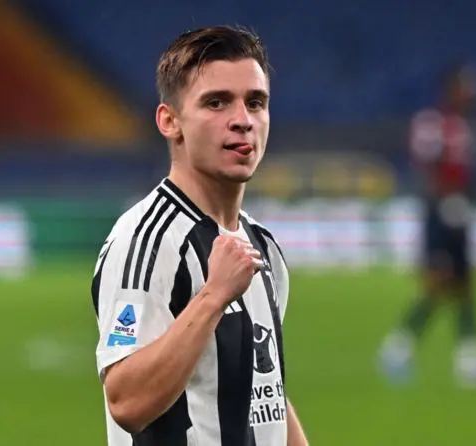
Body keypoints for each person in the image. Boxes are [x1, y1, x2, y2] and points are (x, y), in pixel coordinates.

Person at [90, 26, 309, 446]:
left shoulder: (261, 246)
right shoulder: (147, 241)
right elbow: (126, 401)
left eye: (255, 103)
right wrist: (212, 296)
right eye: (216, 103)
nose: (242, 121)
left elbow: (266, 394)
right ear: (170, 121)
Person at [379, 63, 476, 388]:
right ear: (451, 88)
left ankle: (471, 362)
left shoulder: (467, 127)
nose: (471, 95)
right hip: (438, 213)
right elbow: (426, 169)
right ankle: (397, 350)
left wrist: (466, 200)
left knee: (466, 284)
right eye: (465, 87)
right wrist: (443, 202)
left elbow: (467, 174)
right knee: (438, 283)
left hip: (460, 211)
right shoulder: (432, 124)